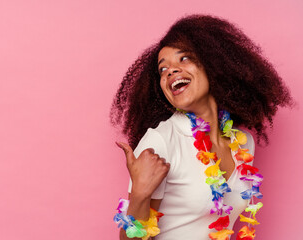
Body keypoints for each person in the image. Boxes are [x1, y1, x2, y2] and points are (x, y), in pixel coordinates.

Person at [110, 14, 293, 240]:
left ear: (213, 64)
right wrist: (139, 193)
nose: (170, 71)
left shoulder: (244, 143)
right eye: (162, 69)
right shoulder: (161, 141)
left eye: (184, 58)